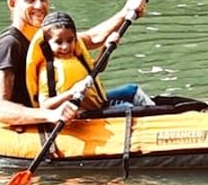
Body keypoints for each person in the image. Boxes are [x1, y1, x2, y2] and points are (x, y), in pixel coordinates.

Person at [0, 0, 146, 125]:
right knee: (129, 110)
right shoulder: (8, 45)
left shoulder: (46, 35)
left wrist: (126, 11)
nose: (39, 5)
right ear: (12, 3)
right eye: (30, 0)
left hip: (71, 101)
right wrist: (51, 115)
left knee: (131, 92)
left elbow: (92, 38)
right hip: (46, 115)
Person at [25, 10, 153, 113]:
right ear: (47, 44)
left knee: (133, 90)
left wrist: (106, 48)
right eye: (58, 42)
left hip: (100, 101)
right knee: (130, 108)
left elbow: (98, 69)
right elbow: (45, 106)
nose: (65, 47)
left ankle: (161, 116)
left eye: (70, 40)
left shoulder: (77, 57)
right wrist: (71, 93)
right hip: (88, 112)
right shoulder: (49, 70)